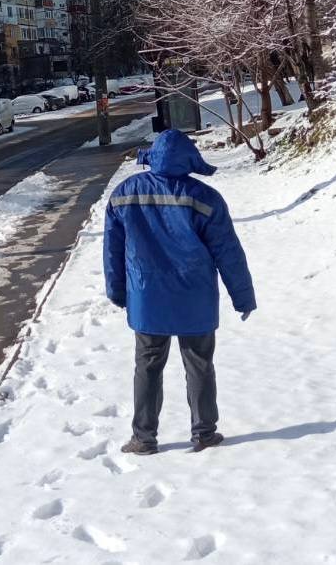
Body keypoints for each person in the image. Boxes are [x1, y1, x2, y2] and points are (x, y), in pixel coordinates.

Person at [103, 128, 256, 455]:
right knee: (199, 364)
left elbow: (113, 251)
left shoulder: (124, 193)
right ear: (189, 158)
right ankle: (205, 433)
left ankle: (143, 438)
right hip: (194, 297)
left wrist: (117, 291)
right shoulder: (205, 199)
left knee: (147, 365)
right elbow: (228, 252)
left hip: (147, 297)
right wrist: (242, 296)